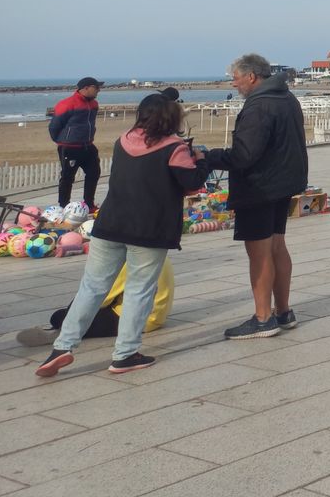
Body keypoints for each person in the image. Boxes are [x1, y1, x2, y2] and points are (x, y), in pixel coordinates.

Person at [34, 94, 205, 377]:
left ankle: (62, 346)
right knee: (139, 290)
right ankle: (124, 355)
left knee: (91, 288)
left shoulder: (123, 140)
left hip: (110, 225)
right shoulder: (174, 147)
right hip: (148, 230)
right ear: (171, 117)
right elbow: (192, 183)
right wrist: (199, 160)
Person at [203, 53, 308, 341]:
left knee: (259, 253)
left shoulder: (259, 106)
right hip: (284, 183)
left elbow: (244, 155)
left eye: (235, 78)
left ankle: (263, 318)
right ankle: (284, 312)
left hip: (260, 187)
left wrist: (209, 157)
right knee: (277, 245)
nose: (234, 84)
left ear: (251, 76)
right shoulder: (287, 98)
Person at [19, 260, 175, 348]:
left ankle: (62, 333)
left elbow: (100, 298)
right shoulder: (155, 251)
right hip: (157, 313)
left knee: (60, 316)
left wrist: (72, 311)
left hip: (135, 319)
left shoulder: (127, 259)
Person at [49, 76, 102, 211]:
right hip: (69, 148)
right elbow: (54, 125)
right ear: (85, 88)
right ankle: (63, 205)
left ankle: (89, 204)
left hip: (88, 146)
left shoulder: (94, 104)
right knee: (67, 177)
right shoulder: (67, 103)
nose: (99, 91)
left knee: (94, 173)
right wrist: (61, 140)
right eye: (96, 88)